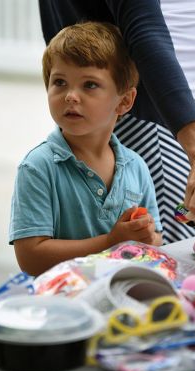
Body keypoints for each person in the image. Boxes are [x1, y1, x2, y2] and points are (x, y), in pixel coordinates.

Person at [38, 0, 195, 244]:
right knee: (185, 248)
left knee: (184, 232)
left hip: (170, 117)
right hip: (157, 120)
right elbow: (144, 27)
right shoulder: (41, 167)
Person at [9, 21, 163, 276]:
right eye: (59, 82)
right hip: (61, 304)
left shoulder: (136, 166)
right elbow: (30, 258)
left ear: (124, 101)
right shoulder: (38, 167)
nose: (70, 96)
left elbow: (156, 239)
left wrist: (146, 236)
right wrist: (110, 243)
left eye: (89, 85)